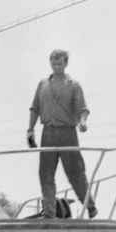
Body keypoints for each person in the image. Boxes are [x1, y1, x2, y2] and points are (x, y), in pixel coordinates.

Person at [27, 48, 94, 218]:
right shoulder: (43, 84)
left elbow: (82, 109)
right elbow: (35, 108)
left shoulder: (73, 85)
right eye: (54, 63)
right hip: (48, 132)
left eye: (60, 63)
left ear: (65, 64)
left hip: (67, 133)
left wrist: (83, 122)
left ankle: (90, 205)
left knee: (75, 172)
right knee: (45, 173)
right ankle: (49, 212)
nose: (56, 67)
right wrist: (30, 130)